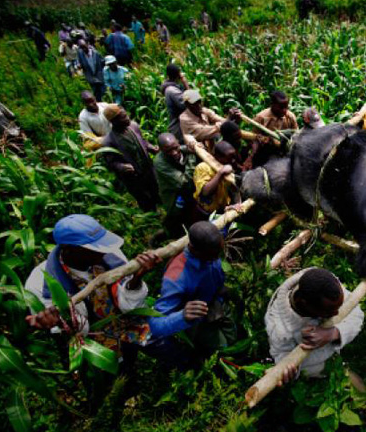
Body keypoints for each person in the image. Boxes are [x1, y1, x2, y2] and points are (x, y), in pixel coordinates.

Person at [25, 214, 160, 352]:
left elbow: (130, 306)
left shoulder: (110, 255)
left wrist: (136, 278)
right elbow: (71, 333)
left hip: (125, 325)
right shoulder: (40, 283)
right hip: (91, 346)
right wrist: (62, 321)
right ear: (69, 249)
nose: (103, 252)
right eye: (95, 248)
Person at [146, 221, 237, 367]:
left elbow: (223, 228)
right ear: (196, 250)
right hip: (199, 318)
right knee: (222, 349)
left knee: (232, 336)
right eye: (213, 255)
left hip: (217, 302)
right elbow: (155, 326)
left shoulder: (211, 244)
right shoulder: (176, 278)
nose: (216, 258)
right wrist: (182, 316)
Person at [265, 268, 364, 383]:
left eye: (338, 307)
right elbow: (282, 360)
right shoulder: (278, 328)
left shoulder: (326, 284)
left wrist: (334, 333)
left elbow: (356, 313)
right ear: (304, 304)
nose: (337, 313)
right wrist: (291, 371)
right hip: (311, 379)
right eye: (329, 311)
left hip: (336, 363)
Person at [102, 104, 160, 211]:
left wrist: (151, 147)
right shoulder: (109, 141)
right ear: (114, 121)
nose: (127, 118)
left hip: (148, 168)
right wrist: (122, 167)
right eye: (123, 117)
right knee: (144, 199)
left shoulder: (133, 126)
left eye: (126, 115)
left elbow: (142, 141)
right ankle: (152, 217)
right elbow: (111, 163)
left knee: (155, 189)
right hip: (134, 177)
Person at [154, 132, 197, 238]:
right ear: (161, 150)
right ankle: (169, 235)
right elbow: (185, 182)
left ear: (177, 142)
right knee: (176, 216)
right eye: (168, 151)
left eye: (175, 147)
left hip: (184, 192)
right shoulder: (160, 162)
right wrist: (192, 156)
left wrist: (193, 147)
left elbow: (184, 148)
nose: (174, 153)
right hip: (172, 195)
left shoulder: (178, 149)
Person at [193, 141, 241, 219]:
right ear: (217, 156)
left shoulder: (227, 167)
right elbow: (205, 192)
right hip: (205, 213)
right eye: (229, 157)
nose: (232, 160)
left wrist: (238, 204)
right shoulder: (203, 167)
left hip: (222, 211)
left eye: (233, 157)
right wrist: (220, 173)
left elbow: (234, 189)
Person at [160, 64, 190, 143]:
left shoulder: (173, 87)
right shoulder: (172, 90)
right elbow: (192, 102)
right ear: (178, 74)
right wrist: (186, 83)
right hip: (179, 128)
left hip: (181, 126)